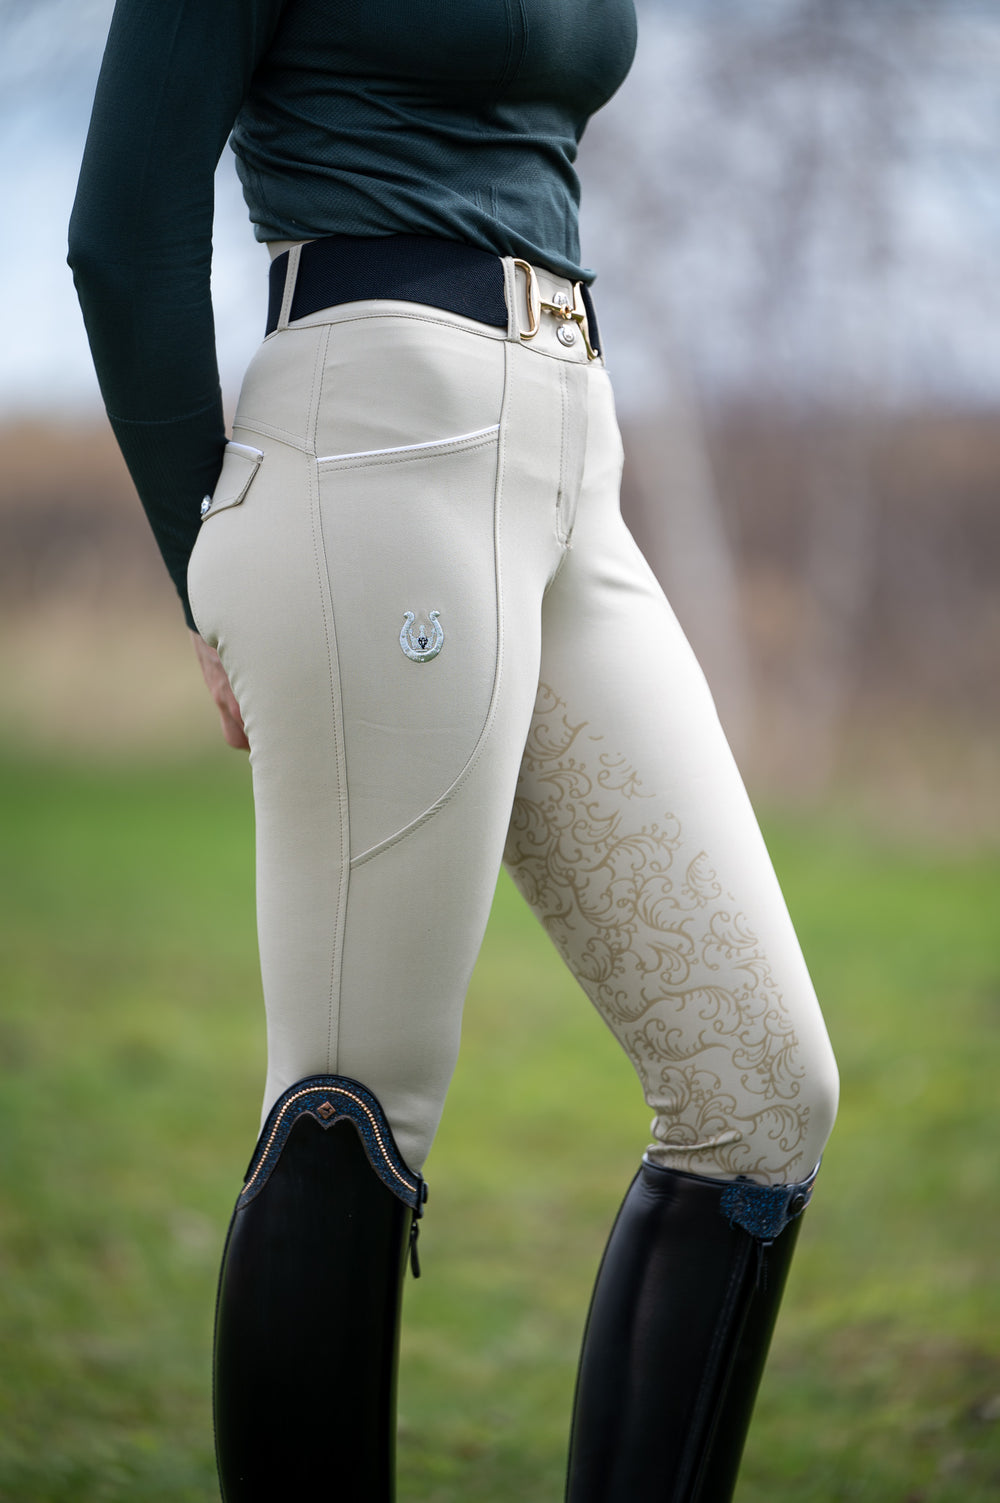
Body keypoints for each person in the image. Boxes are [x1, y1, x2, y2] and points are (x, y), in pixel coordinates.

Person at [68, 2, 839, 1499]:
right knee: (354, 1103)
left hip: (572, 450)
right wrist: (202, 566)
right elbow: (123, 230)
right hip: (372, 446)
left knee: (760, 1092)